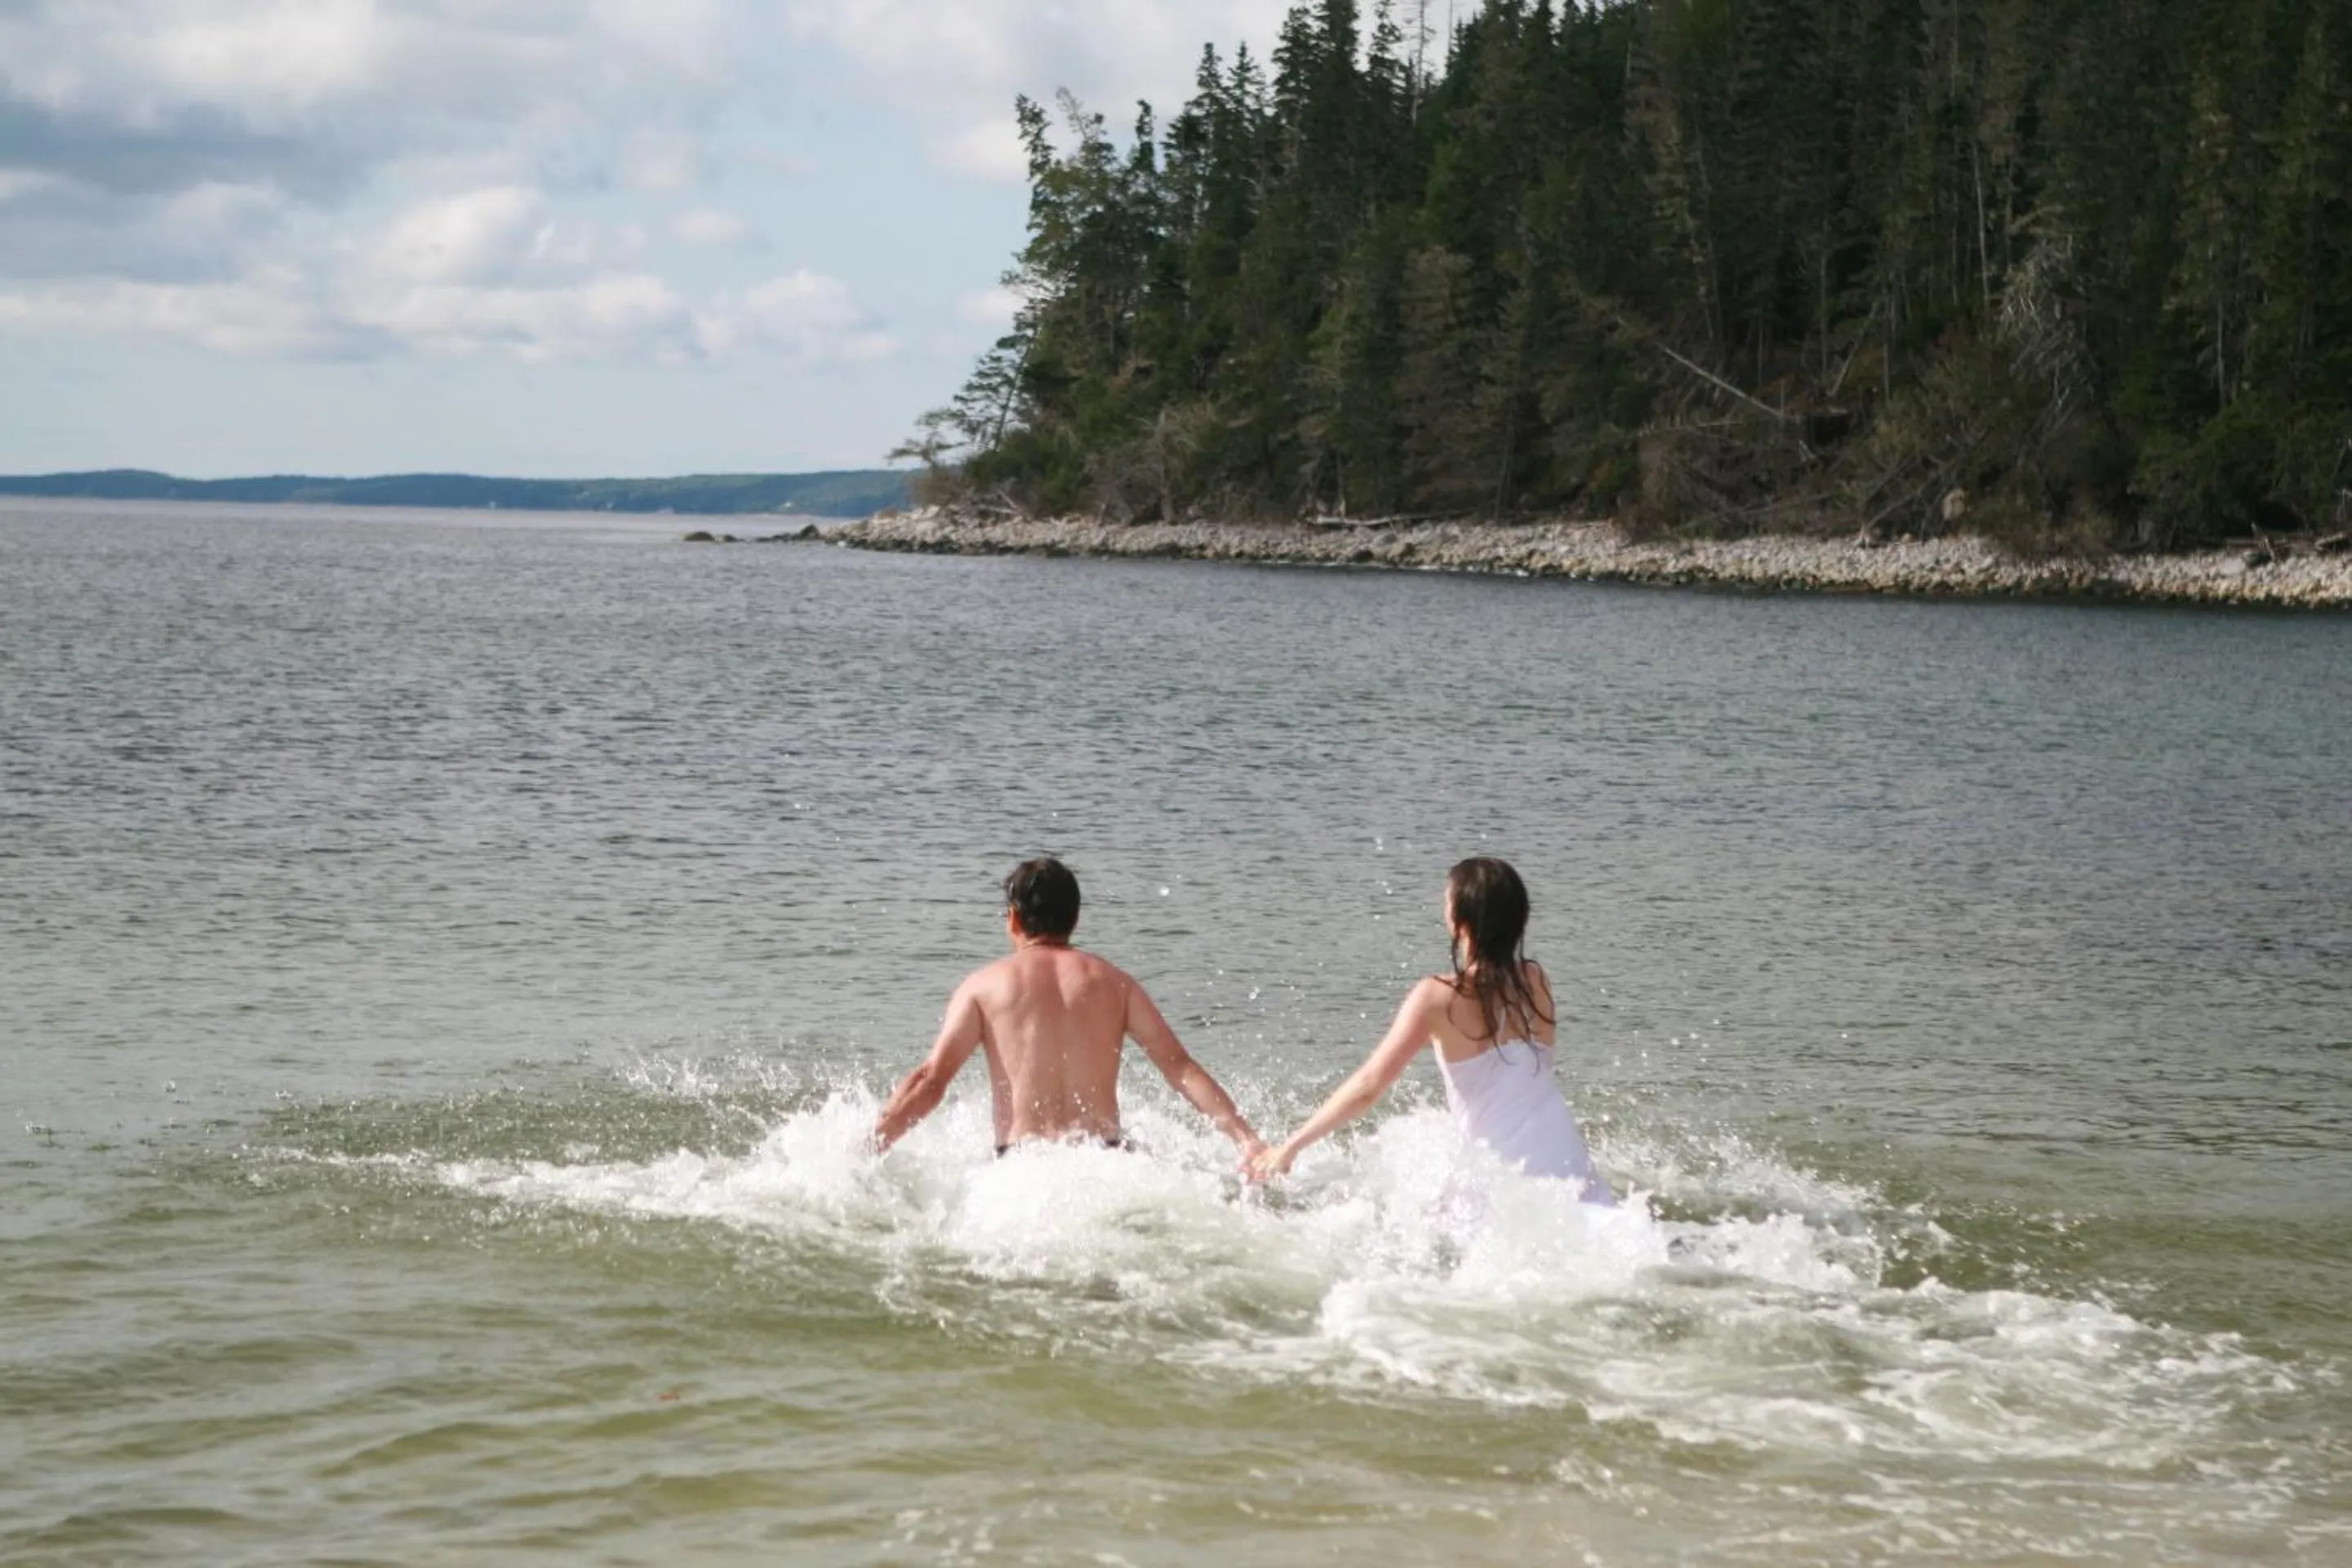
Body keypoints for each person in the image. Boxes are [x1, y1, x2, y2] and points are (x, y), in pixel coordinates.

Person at [1247, 857, 1614, 1204]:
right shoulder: (1536, 981)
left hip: (1504, 1177)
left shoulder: (1436, 997)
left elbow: (1368, 1088)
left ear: (1461, 923)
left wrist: (1290, 1147)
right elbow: (1535, 1073)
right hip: (1564, 1157)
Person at [873, 857, 1267, 1163]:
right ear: (1075, 918)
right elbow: (1180, 1067)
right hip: (1105, 1160)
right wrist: (1245, 1138)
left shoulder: (983, 986)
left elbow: (930, 1081)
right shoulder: (1115, 983)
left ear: (1012, 918)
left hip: (1023, 1165)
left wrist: (873, 1144)